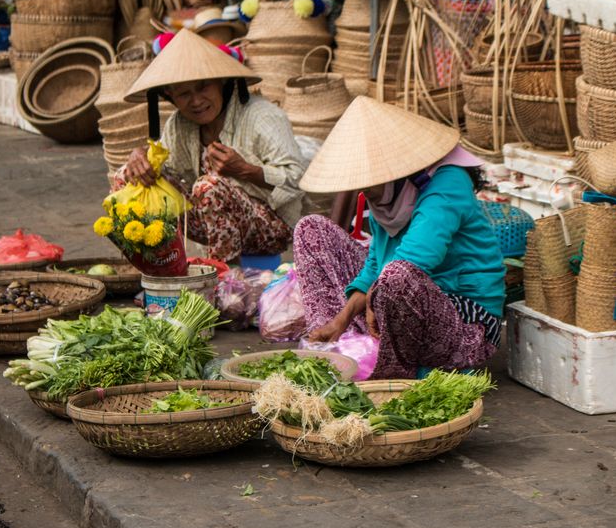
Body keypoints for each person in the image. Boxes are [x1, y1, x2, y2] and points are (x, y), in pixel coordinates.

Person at [293, 96, 506, 379]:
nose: (362, 189)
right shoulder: (389, 196)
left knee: (396, 277)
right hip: (399, 305)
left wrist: (377, 297)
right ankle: (332, 349)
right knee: (311, 229)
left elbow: (416, 259)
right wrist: (340, 321)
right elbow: (375, 265)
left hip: (467, 323)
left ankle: (392, 369)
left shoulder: (448, 182)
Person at [121, 28, 305, 263]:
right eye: (184, 94)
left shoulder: (263, 116)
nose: (196, 101)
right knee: (130, 176)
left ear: (221, 82)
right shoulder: (180, 123)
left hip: (271, 229)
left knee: (209, 187)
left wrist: (245, 170)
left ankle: (222, 279)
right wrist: (139, 156)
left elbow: (298, 179)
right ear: (170, 96)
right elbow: (164, 167)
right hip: (212, 223)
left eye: (203, 87)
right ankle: (159, 266)